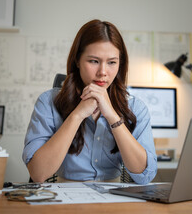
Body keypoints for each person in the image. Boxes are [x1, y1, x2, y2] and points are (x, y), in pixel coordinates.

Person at [22, 19, 157, 184]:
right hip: (66, 197)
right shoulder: (48, 102)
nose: (102, 72)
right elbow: (38, 173)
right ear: (77, 61)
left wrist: (112, 116)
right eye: (94, 61)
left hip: (114, 198)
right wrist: (77, 115)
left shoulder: (136, 107)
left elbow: (144, 175)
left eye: (112, 62)